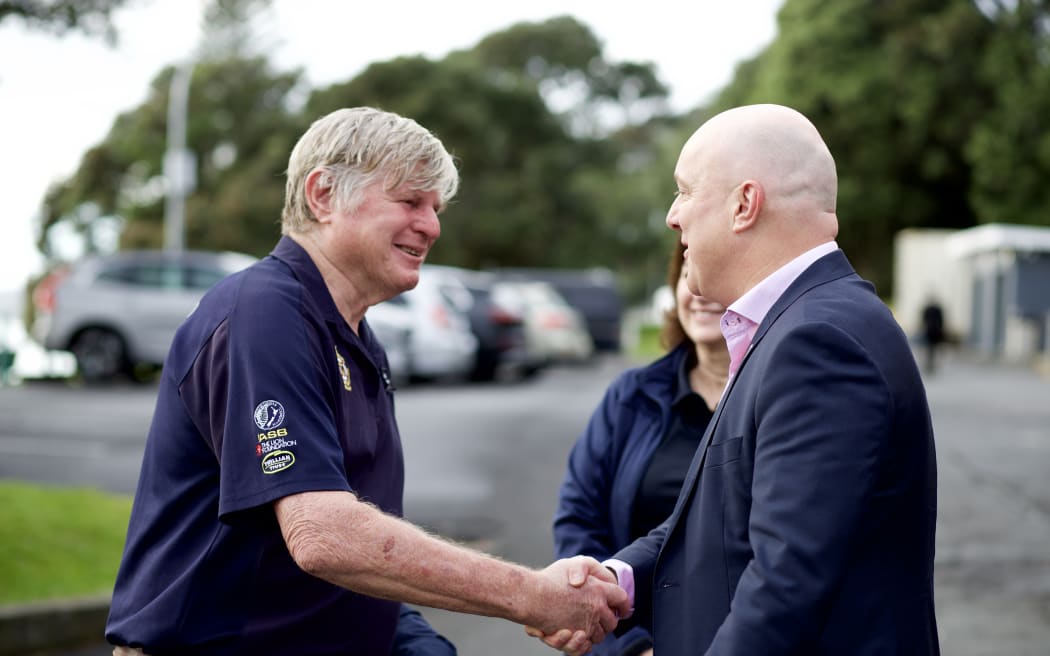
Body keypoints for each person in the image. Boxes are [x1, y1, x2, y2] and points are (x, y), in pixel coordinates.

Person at [105, 107, 628, 656]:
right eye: (409, 201)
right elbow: (324, 537)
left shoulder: (352, 335)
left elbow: (343, 571)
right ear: (323, 195)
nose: (431, 225)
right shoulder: (264, 314)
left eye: (435, 207)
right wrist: (533, 596)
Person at [533, 104, 940, 654]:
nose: (673, 217)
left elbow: (784, 587)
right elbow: (724, 522)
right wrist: (617, 580)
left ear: (744, 204)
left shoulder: (817, 341)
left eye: (684, 191)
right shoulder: (800, 323)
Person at [551, 238, 730, 656]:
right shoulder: (632, 396)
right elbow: (580, 519)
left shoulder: (774, 400)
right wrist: (630, 646)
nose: (698, 290)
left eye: (710, 272)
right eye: (686, 274)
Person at [920, 296, 946, 373]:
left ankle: (930, 364)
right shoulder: (934, 309)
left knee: (931, 349)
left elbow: (924, 320)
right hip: (933, 331)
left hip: (932, 331)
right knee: (931, 349)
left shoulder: (930, 309)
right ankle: (930, 364)